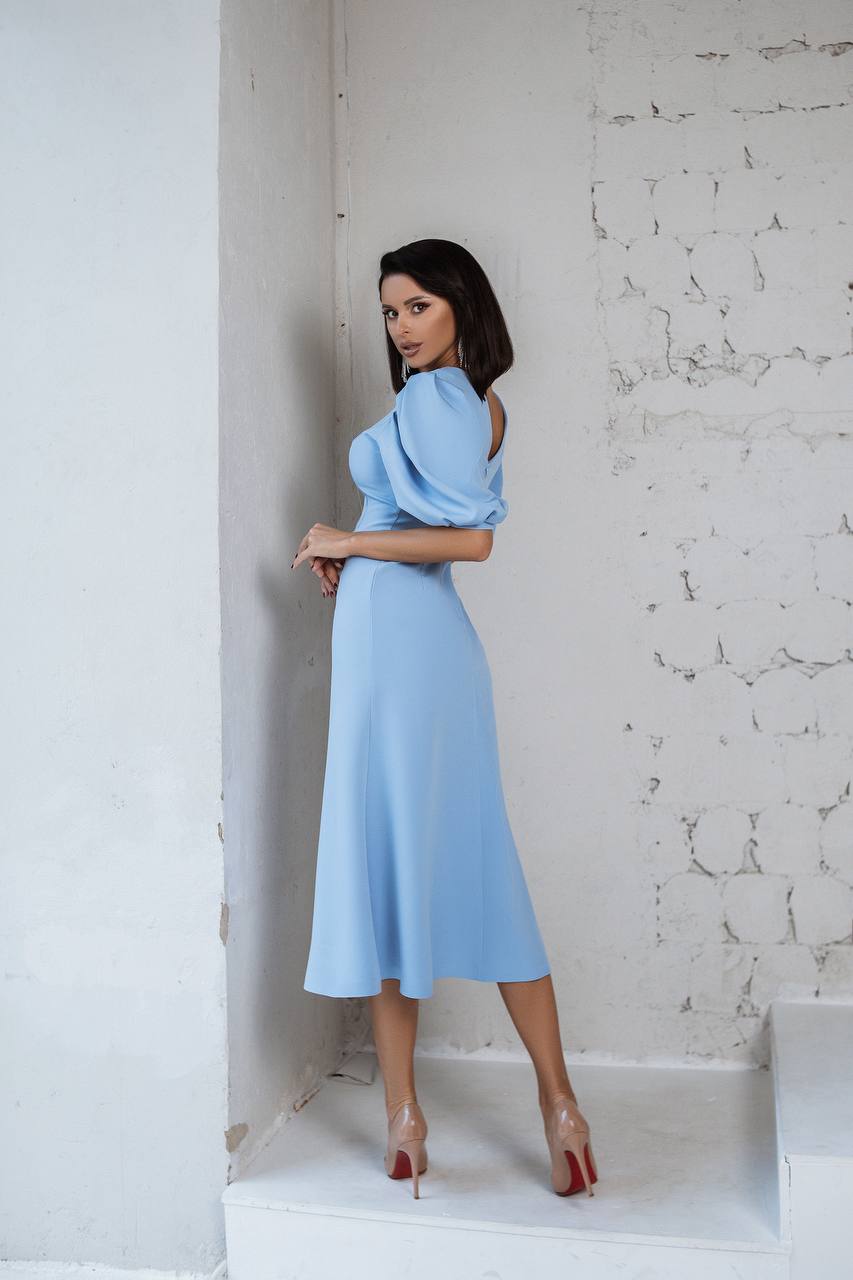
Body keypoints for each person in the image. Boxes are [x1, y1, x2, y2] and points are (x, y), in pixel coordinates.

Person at [293, 239, 597, 1200]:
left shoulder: (436, 399)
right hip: (420, 641)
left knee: (388, 865)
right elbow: (426, 519)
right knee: (468, 855)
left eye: (418, 306)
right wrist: (362, 544)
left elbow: (470, 537)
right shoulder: (481, 405)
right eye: (390, 312)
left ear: (461, 305)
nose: (401, 327)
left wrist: (347, 537)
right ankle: (561, 1109)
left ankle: (405, 1120)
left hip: (399, 649)